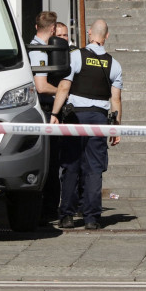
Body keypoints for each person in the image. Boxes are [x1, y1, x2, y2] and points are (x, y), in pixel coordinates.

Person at [48, 19, 122, 230]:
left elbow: (64, 87)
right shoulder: (114, 64)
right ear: (107, 36)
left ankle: (67, 216)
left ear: (90, 34)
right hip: (99, 119)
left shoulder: (76, 56)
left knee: (71, 166)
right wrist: (116, 127)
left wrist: (54, 113)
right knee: (94, 169)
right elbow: (116, 100)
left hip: (75, 118)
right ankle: (92, 218)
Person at [28, 12, 66, 223]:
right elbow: (42, 86)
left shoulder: (36, 47)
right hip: (43, 110)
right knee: (51, 163)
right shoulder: (40, 51)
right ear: (53, 30)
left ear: (36, 26)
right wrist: (62, 90)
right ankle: (48, 210)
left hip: (41, 110)